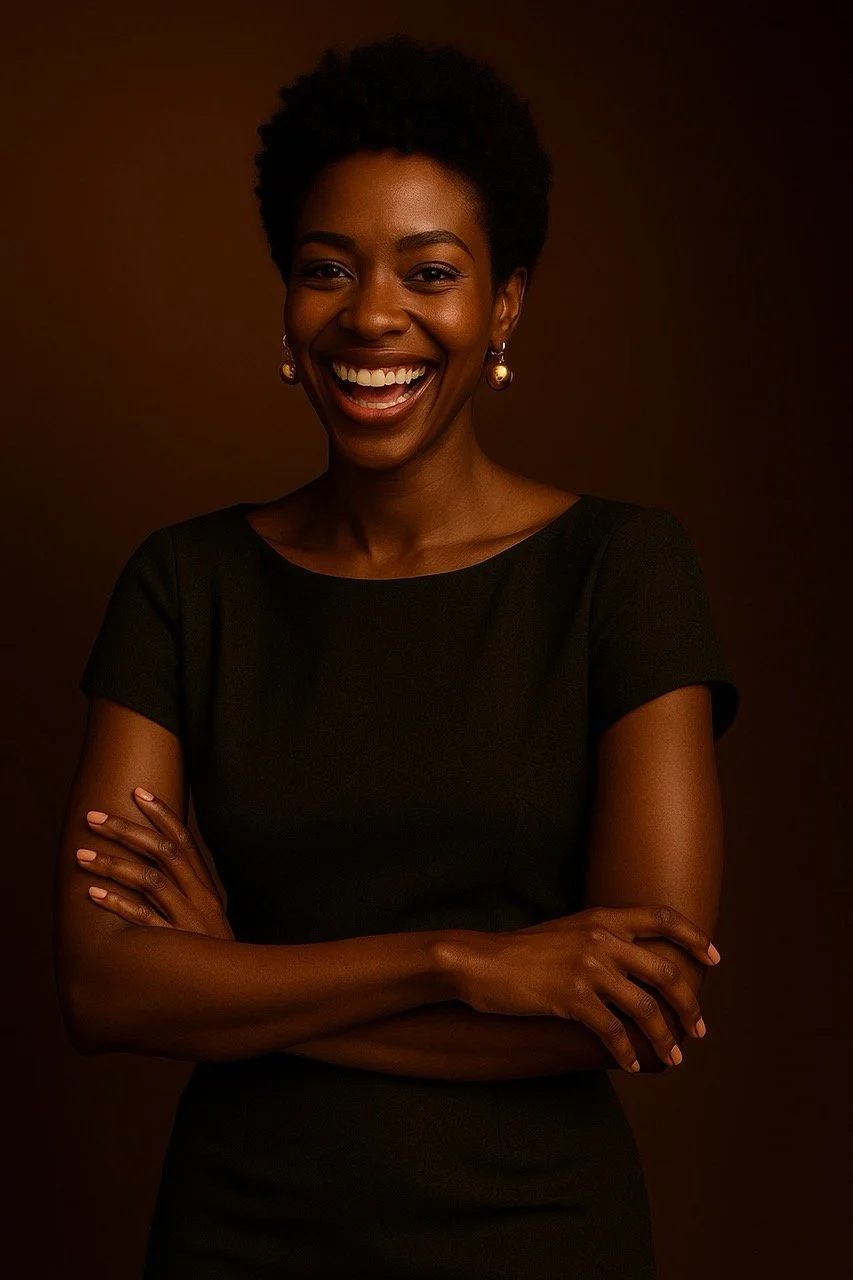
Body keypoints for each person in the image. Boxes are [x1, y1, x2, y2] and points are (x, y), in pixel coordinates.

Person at [54, 33, 739, 1279]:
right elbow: (104, 989)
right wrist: (466, 963)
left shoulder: (619, 571)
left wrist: (240, 985)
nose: (371, 313)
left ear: (504, 304)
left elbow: (636, 1006)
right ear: (286, 298)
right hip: (238, 1232)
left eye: (430, 270)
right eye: (328, 268)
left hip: (537, 1239)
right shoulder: (183, 584)